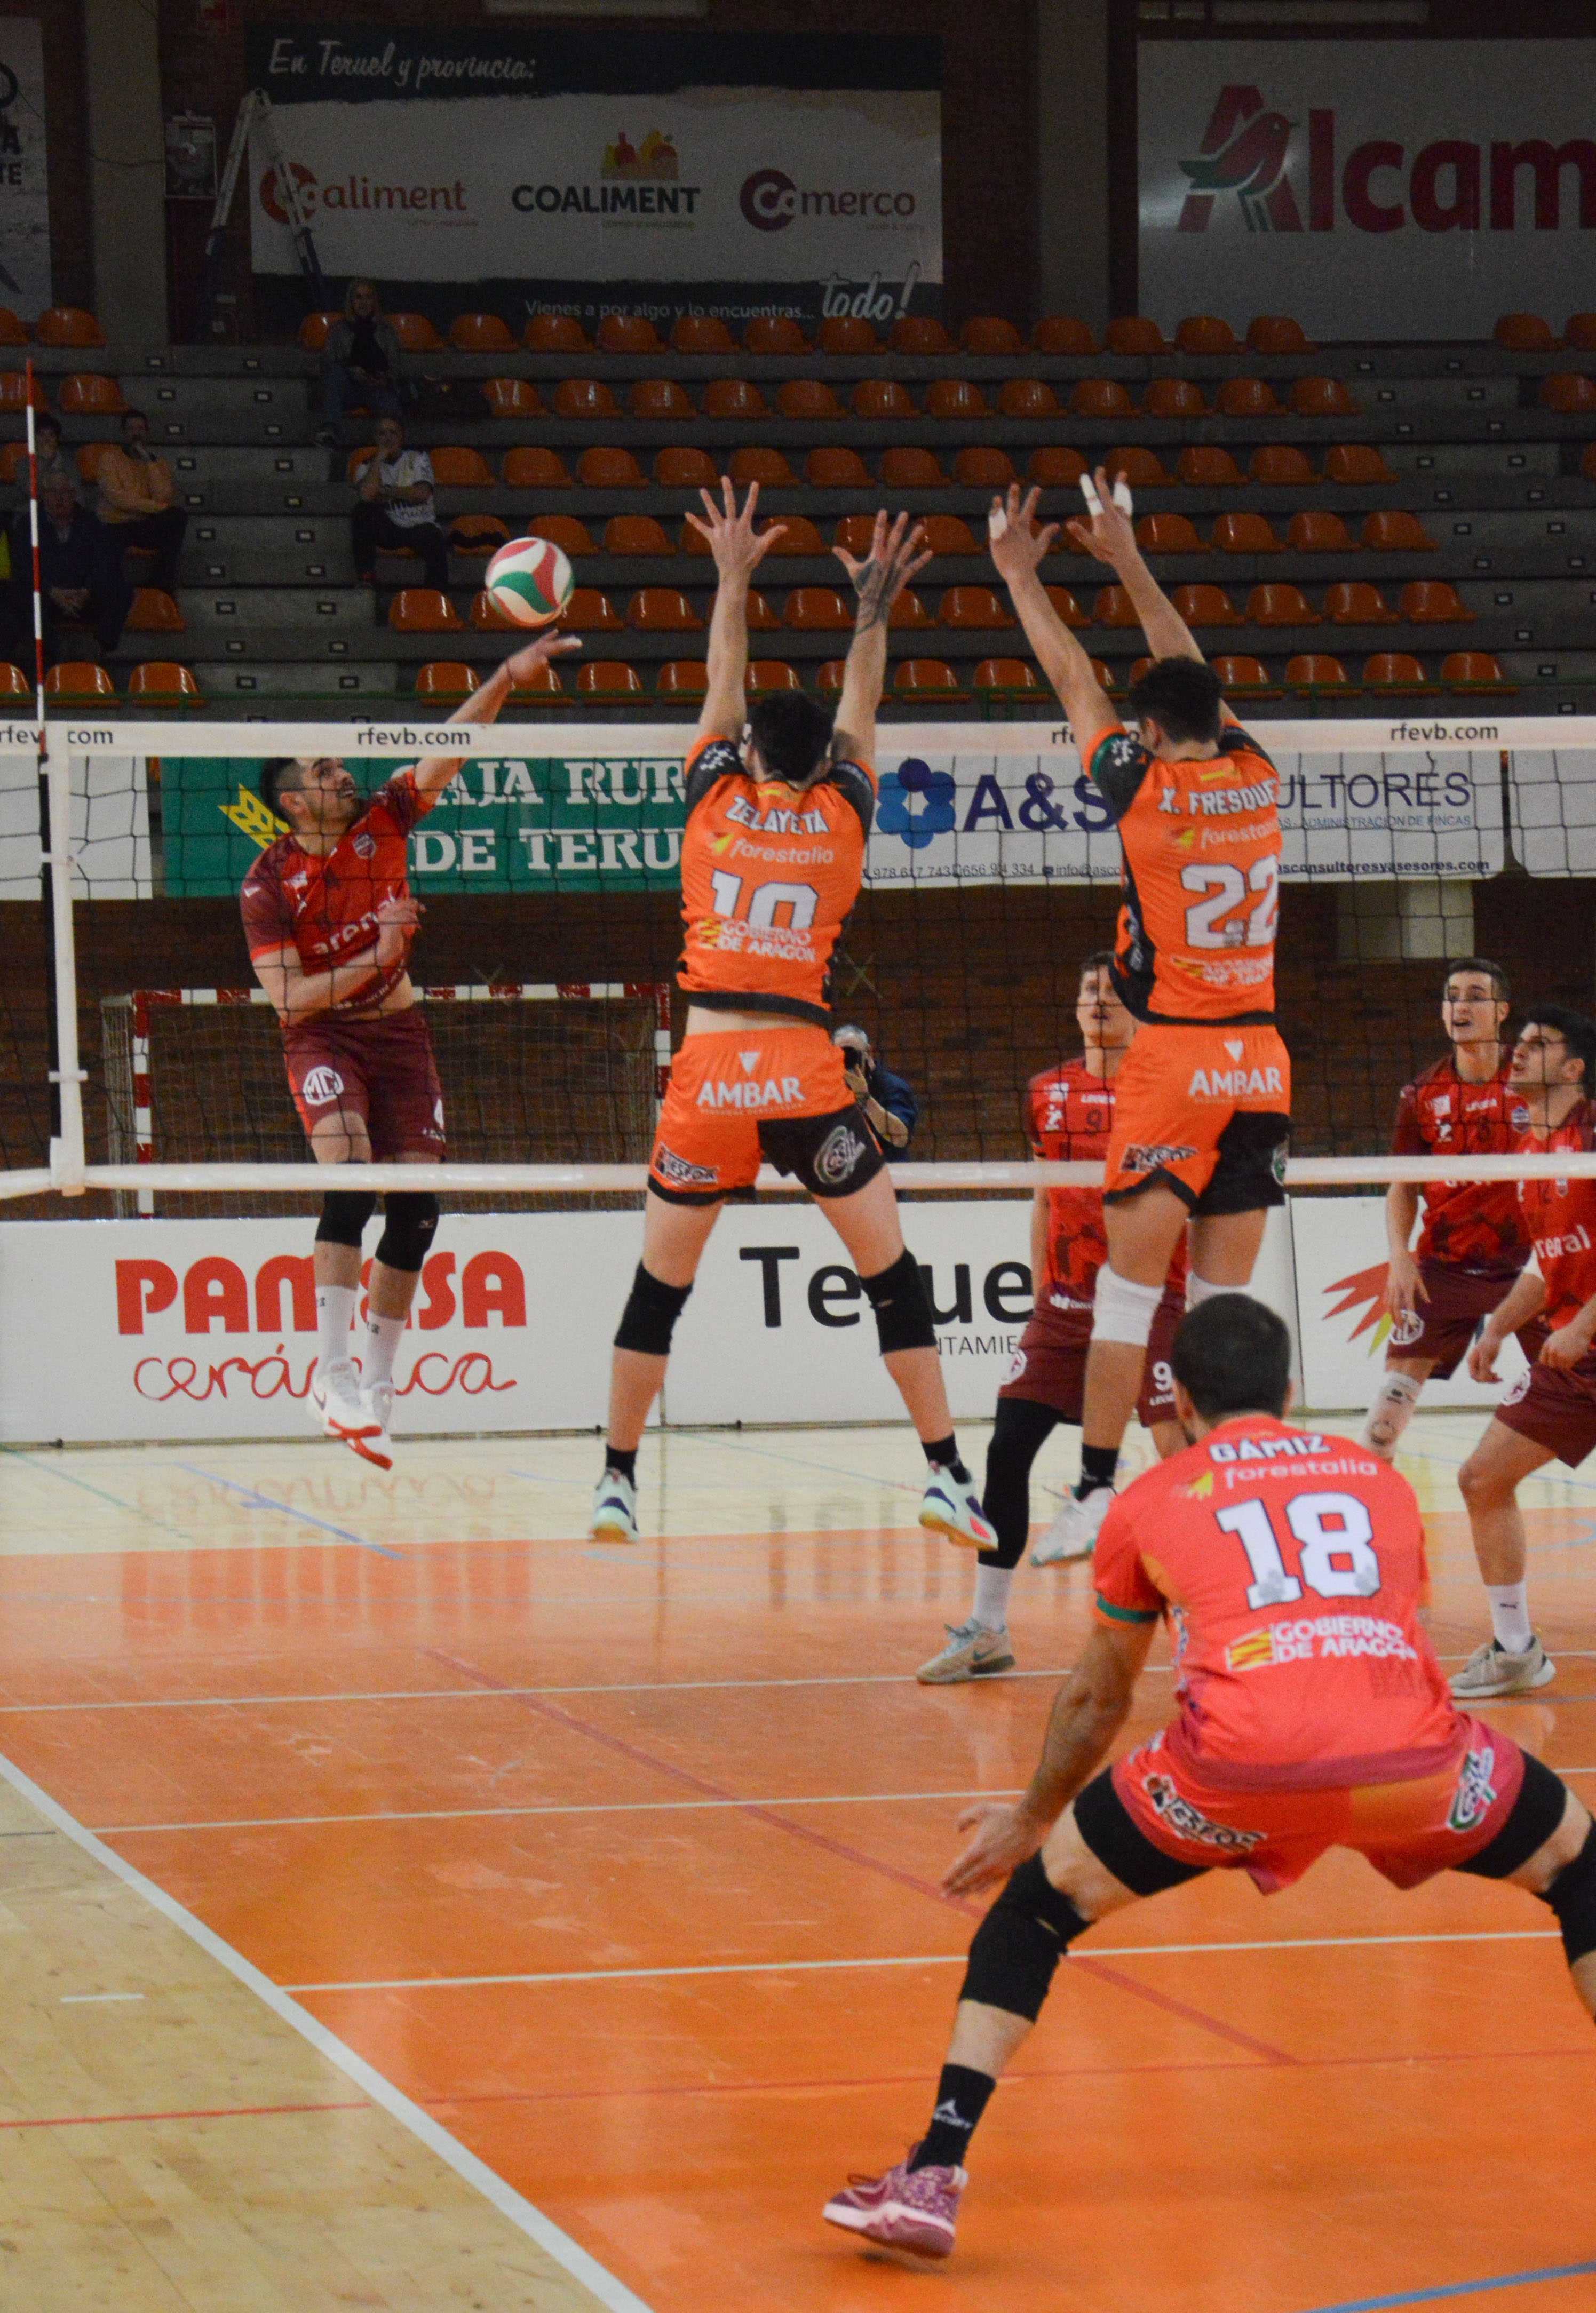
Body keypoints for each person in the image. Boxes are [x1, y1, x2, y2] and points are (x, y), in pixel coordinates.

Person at [824, 1294, 1596, 2262]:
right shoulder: (1380, 1482)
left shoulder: (1151, 1499)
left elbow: (1098, 1696)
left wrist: (1031, 1815)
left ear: (1180, 1402)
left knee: (1035, 1911)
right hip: (1415, 1763)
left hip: (1231, 1775)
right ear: (1289, 1391)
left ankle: (933, 2173)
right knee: (1580, 1869)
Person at [591, 479, 993, 1554]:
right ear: (824, 765)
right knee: (891, 1278)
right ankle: (945, 1471)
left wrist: (731, 574)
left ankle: (616, 1480)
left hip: (709, 1074)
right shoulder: (843, 817)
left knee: (658, 1290)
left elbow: (721, 684)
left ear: (748, 755)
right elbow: (863, 704)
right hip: (803, 1074)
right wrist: (872, 604)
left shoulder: (711, 803)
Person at [985, 474, 1289, 1564]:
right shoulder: (1257, 774)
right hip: (1262, 1060)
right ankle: (1237, 1500)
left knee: (1123, 1297)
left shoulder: (1145, 790)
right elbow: (1190, 670)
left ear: (1151, 733)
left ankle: (1097, 1489)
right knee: (1215, 1306)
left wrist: (1020, 577)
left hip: (1175, 1061)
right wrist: (1127, 558)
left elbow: (1074, 678)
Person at [240, 627, 579, 1468]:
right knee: (351, 1176)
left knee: (418, 1208)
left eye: (338, 765)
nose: (341, 774)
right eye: (324, 771)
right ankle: (329, 1372)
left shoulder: (384, 817)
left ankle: (378, 1382)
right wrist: (381, 951)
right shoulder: (265, 884)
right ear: (293, 802)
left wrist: (505, 676)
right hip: (321, 1036)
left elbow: (450, 746)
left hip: (398, 1033)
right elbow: (288, 1000)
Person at [917, 954, 1186, 1685]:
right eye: (1088, 990)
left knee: (1178, 1456)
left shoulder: (1168, 1087)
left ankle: (1200, 1629)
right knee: (1007, 1449)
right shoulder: (1046, 1090)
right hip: (1064, 1304)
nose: (1099, 1000)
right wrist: (1042, 1290)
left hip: (1151, 1296)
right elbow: (1043, 1196)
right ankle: (987, 1629)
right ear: (1074, 1006)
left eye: (1112, 991)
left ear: (1139, 1006)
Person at [1454, 1006, 1596, 1697]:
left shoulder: (1591, 1136)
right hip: (1577, 1359)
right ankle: (1515, 1649)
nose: (1518, 1050)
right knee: (1481, 1478)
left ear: (1573, 1068)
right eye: (1522, 1040)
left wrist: (1583, 1325)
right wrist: (1495, 1328)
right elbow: (1549, 1261)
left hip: (1583, 1338)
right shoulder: (1531, 1150)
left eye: (1538, 1044)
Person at [1363, 958, 1535, 1461]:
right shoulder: (1421, 1093)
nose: (1461, 1005)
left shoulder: (1534, 1078)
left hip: (1531, 1264)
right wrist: (1399, 1256)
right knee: (1386, 1414)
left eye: (1476, 996)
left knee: (1579, 1377)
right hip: (1446, 1263)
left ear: (1501, 1010)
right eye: (1453, 996)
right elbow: (1402, 1184)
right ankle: (1371, 1492)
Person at [8, 471, 131, 661]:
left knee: (122, 589)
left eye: (65, 492)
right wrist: (52, 591)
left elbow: (103, 561)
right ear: (44, 496)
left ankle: (101, 646)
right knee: (19, 594)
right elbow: (23, 566)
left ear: (74, 495)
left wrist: (86, 591)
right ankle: (52, 651)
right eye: (53, 492)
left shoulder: (91, 522)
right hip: (48, 597)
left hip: (83, 596)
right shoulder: (28, 524)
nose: (59, 498)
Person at [351, 415, 450, 593]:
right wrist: (379, 459)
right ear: (375, 438)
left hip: (419, 523)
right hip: (389, 525)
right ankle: (366, 577)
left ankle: (435, 595)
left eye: (393, 433)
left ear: (401, 436)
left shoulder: (417, 459)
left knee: (435, 538)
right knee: (362, 511)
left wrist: (385, 491)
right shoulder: (366, 466)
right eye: (382, 434)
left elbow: (421, 494)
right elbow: (367, 495)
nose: (388, 438)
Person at [94, 408, 187, 595]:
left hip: (143, 524)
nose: (136, 434)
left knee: (177, 517)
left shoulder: (157, 464)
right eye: (131, 429)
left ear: (148, 432)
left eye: (140, 429)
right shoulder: (109, 460)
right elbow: (118, 499)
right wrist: (154, 508)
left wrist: (148, 461)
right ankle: (111, 591)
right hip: (116, 523)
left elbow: (163, 495)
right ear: (124, 433)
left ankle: (161, 580)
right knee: (104, 538)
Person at [317, 280, 406, 446]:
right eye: (358, 297)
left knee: (392, 406)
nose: (363, 303)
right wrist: (351, 370)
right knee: (334, 373)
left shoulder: (387, 331)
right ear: (351, 301)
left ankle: (391, 448)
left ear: (374, 301)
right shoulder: (338, 330)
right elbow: (327, 363)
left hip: (377, 387)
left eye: (368, 297)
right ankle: (330, 430)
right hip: (347, 388)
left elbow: (397, 363)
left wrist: (386, 379)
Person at [832, 1023, 918, 1152]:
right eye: (841, 1055)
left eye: (852, 1054)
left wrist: (864, 1097)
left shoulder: (893, 1087)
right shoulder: (831, 1089)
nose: (847, 1060)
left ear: (868, 1052)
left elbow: (899, 1139)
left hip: (889, 1163)